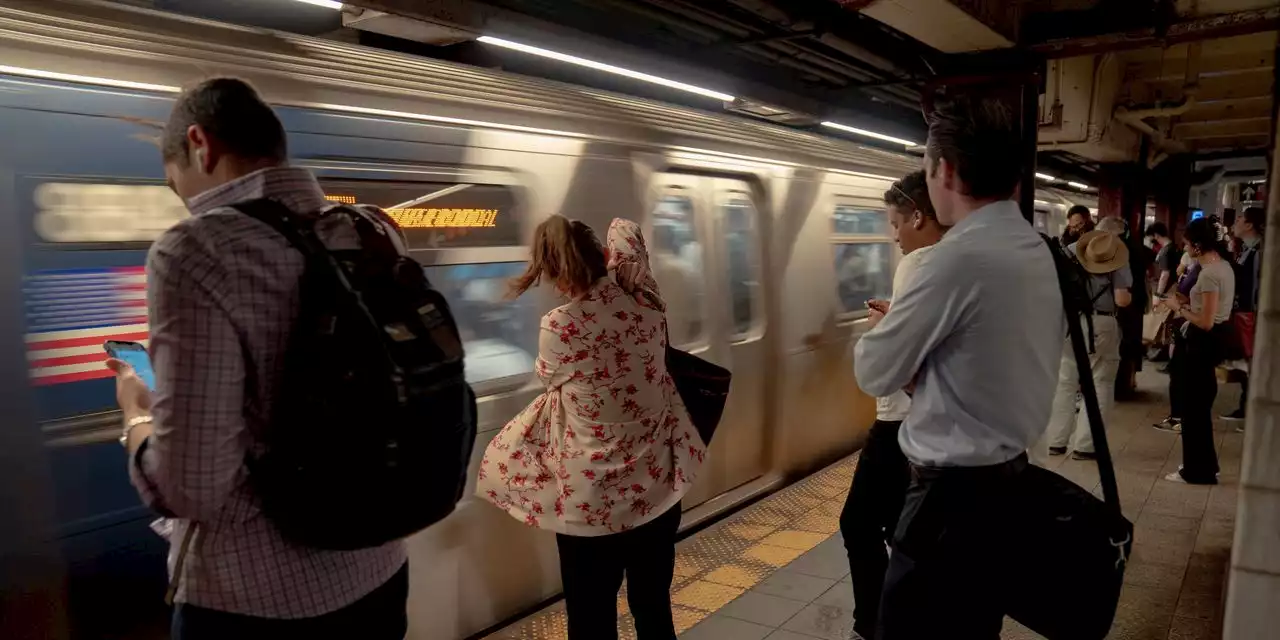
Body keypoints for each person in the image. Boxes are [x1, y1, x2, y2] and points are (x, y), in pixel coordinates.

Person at [106, 78, 408, 639]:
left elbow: (192, 487)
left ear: (200, 143)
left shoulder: (194, 249)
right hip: (380, 567)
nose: (185, 201)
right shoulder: (372, 229)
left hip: (256, 599)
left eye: (177, 185)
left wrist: (137, 416)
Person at [853, 96, 1064, 638]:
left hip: (948, 502)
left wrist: (890, 331)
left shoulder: (950, 260)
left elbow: (874, 372)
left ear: (943, 170)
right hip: (1008, 482)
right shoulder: (1032, 245)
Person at [477, 216, 705, 640]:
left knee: (591, 618)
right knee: (653, 606)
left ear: (551, 272)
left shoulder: (559, 325)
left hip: (591, 503)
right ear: (604, 256)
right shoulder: (648, 306)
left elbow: (550, 379)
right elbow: (625, 227)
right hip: (657, 491)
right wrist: (624, 270)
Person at [839, 170, 946, 639]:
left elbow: (889, 369)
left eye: (896, 222)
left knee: (860, 524)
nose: (894, 234)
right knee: (900, 528)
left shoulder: (920, 263)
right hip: (933, 429)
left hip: (900, 426)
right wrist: (897, 317)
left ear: (919, 215)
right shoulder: (962, 261)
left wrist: (882, 331)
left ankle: (877, 624)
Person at [1043, 221, 1132, 461]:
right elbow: (1122, 300)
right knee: (1101, 381)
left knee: (1065, 380)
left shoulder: (1070, 251)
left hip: (1069, 322)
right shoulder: (1115, 255)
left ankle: (1055, 441)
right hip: (1101, 323)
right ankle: (1086, 445)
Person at [1156, 217, 1235, 484]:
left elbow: (1206, 321)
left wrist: (1178, 308)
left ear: (1199, 246)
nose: (1185, 249)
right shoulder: (1223, 266)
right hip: (1212, 340)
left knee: (1193, 409)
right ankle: (1205, 465)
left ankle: (1196, 471)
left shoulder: (1210, 274)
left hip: (1203, 341)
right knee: (1199, 405)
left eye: (1188, 244)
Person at [1222, 206, 1264, 424]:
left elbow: (1257, 287)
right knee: (1246, 361)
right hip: (1245, 312)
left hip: (1250, 314)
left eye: (1239, 219)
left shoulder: (1258, 252)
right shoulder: (1248, 250)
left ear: (1249, 225)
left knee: (1251, 361)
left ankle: (1250, 408)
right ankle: (1245, 406)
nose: (1235, 223)